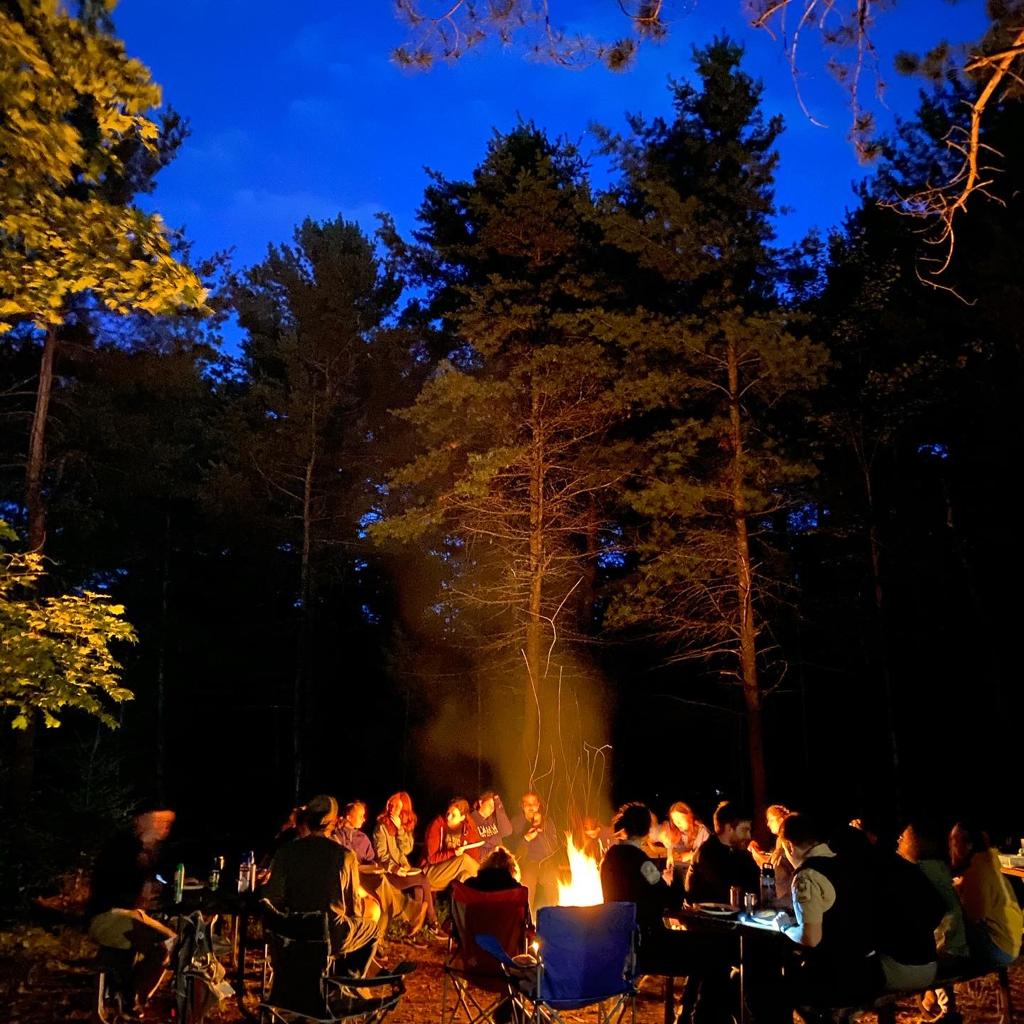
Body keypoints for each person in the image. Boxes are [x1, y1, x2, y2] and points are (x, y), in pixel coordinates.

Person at [263, 794, 380, 977]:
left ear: (307, 820)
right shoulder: (345, 856)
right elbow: (353, 906)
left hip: (291, 931)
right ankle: (347, 981)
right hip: (330, 934)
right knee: (372, 928)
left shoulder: (286, 852)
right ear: (333, 822)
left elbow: (272, 896)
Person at [775, 812, 883, 1007]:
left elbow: (811, 938)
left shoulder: (807, 876)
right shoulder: (849, 864)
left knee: (768, 990)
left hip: (836, 978)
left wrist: (785, 927)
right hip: (869, 971)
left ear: (790, 846)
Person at [87, 801, 178, 1011]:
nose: (165, 827)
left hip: (127, 913)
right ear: (143, 821)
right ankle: (130, 1000)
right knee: (164, 945)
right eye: (160, 821)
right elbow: (118, 887)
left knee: (170, 941)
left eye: (167, 823)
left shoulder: (147, 849)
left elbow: (151, 885)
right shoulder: (124, 847)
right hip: (108, 916)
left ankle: (129, 996)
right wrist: (145, 889)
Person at [899, 820, 970, 1023]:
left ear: (914, 843)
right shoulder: (937, 866)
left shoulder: (917, 871)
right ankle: (939, 1004)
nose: (899, 843)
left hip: (949, 951)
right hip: (957, 946)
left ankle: (946, 1010)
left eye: (902, 839)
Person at [336, 800, 429, 941]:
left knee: (382, 885)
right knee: (383, 887)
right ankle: (412, 911)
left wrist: (400, 831)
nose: (364, 819)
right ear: (348, 817)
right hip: (349, 877)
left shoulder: (362, 838)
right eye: (360, 815)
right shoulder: (337, 836)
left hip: (368, 874)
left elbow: (375, 858)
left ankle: (378, 940)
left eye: (364, 816)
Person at [949, 821, 1022, 967]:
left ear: (968, 845)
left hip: (999, 950)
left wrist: (956, 895)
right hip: (1012, 943)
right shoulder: (989, 862)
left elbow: (974, 915)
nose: (951, 847)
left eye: (954, 842)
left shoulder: (976, 871)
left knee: (953, 920)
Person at [684, 800, 759, 905]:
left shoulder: (741, 853)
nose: (748, 836)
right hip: (708, 917)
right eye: (744, 830)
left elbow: (757, 882)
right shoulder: (707, 854)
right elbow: (726, 892)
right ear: (729, 828)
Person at [509, 792, 561, 915]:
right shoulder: (516, 822)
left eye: (533, 803)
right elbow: (515, 851)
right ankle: (527, 922)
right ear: (522, 806)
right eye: (527, 804)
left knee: (552, 881)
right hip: (527, 863)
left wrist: (540, 828)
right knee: (526, 886)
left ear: (538, 805)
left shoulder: (547, 821)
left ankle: (556, 917)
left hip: (545, 861)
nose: (531, 807)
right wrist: (526, 839)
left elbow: (553, 847)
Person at [422, 797, 482, 890]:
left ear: (462, 817)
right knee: (464, 859)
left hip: (452, 875)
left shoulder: (467, 830)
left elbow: (473, 857)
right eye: (448, 813)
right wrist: (453, 853)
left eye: (453, 815)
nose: (448, 817)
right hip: (432, 872)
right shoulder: (437, 825)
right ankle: (487, 880)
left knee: (465, 876)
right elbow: (431, 858)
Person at [659, 801, 710, 868]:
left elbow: (707, 855)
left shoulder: (704, 831)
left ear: (690, 816)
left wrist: (691, 855)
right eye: (674, 820)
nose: (677, 823)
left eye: (680, 819)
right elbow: (671, 844)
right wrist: (670, 856)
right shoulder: (680, 832)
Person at [470, 791, 513, 859]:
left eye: (494, 806)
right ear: (481, 803)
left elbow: (507, 831)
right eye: (490, 805)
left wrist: (498, 805)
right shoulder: (471, 820)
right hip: (484, 861)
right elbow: (473, 848)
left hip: (498, 859)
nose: (492, 809)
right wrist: (492, 851)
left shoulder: (494, 819)